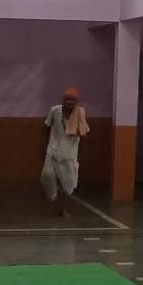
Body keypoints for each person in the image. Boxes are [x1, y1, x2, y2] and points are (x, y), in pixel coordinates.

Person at [41, 88, 89, 217]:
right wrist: (44, 147)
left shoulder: (80, 113)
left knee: (69, 187)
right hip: (52, 151)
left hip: (70, 154)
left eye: (73, 100)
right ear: (63, 100)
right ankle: (53, 200)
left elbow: (84, 133)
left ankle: (62, 209)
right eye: (67, 99)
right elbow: (47, 127)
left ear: (76, 101)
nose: (69, 102)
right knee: (47, 175)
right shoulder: (55, 111)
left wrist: (82, 154)